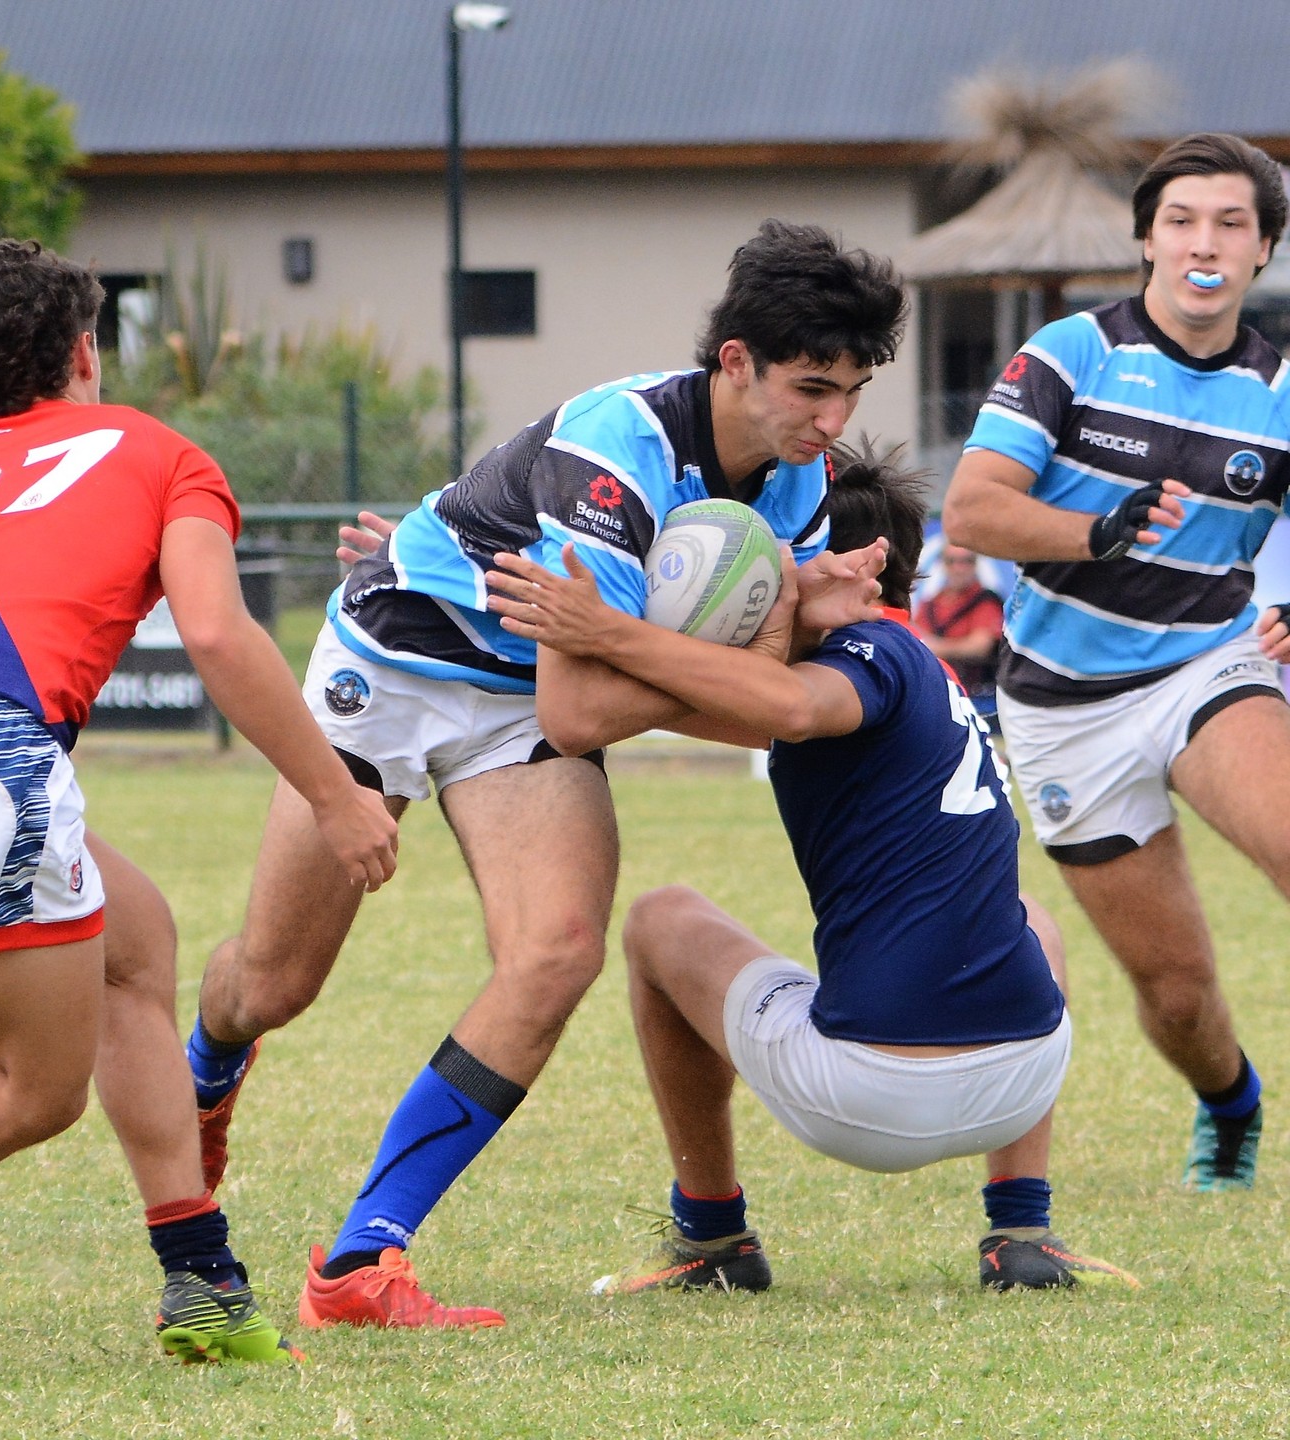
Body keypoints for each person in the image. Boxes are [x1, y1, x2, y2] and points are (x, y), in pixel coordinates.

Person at [184, 219, 903, 1328]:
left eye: (851, 393)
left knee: (556, 950)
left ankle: (362, 1262)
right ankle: (208, 1067)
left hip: (522, 703)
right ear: (734, 362)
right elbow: (598, 708)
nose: (831, 422)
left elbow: (731, 706)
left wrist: (761, 639)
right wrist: (733, 672)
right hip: (397, 664)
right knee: (274, 985)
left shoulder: (796, 487)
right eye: (812, 388)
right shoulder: (616, 457)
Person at [0, 238, 398, 1362]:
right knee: (25, 1094)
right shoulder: (161, 454)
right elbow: (214, 631)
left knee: (134, 941)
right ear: (87, 351)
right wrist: (334, 794)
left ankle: (201, 1282)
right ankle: (201, 1284)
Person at [484, 439, 1136, 1292]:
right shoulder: (922, 672)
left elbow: (788, 705)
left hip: (867, 1098)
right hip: (1024, 1073)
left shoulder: (871, 660)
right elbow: (633, 709)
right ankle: (1021, 1228)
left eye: (783, 550)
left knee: (660, 920)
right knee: (1031, 918)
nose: (767, 573)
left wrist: (608, 627)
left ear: (861, 568)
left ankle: (712, 1240)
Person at [940, 132, 1290, 1191]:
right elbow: (973, 508)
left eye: (1233, 223)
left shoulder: (1280, 386)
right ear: (1145, 238)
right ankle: (1229, 1103)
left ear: (1264, 250)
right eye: (1182, 220)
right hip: (1063, 711)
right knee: (1177, 996)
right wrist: (1097, 530)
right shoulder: (1071, 355)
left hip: (1208, 666)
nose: (1204, 243)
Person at [911, 543, 1004, 717]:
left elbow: (980, 647)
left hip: (980, 702)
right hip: (937, 696)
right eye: (951, 561)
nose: (959, 568)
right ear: (942, 565)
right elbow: (915, 642)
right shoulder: (930, 604)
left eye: (966, 561)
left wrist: (935, 647)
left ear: (976, 565)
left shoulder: (986, 601)